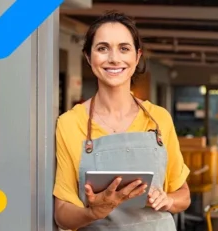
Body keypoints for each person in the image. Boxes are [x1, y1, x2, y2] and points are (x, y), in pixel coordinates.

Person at [53, 12, 190, 231]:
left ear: (137, 57)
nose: (114, 58)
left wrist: (168, 201)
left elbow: (183, 195)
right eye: (102, 48)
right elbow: (62, 214)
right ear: (88, 57)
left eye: (124, 48)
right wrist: (92, 212)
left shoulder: (158, 119)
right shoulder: (70, 123)